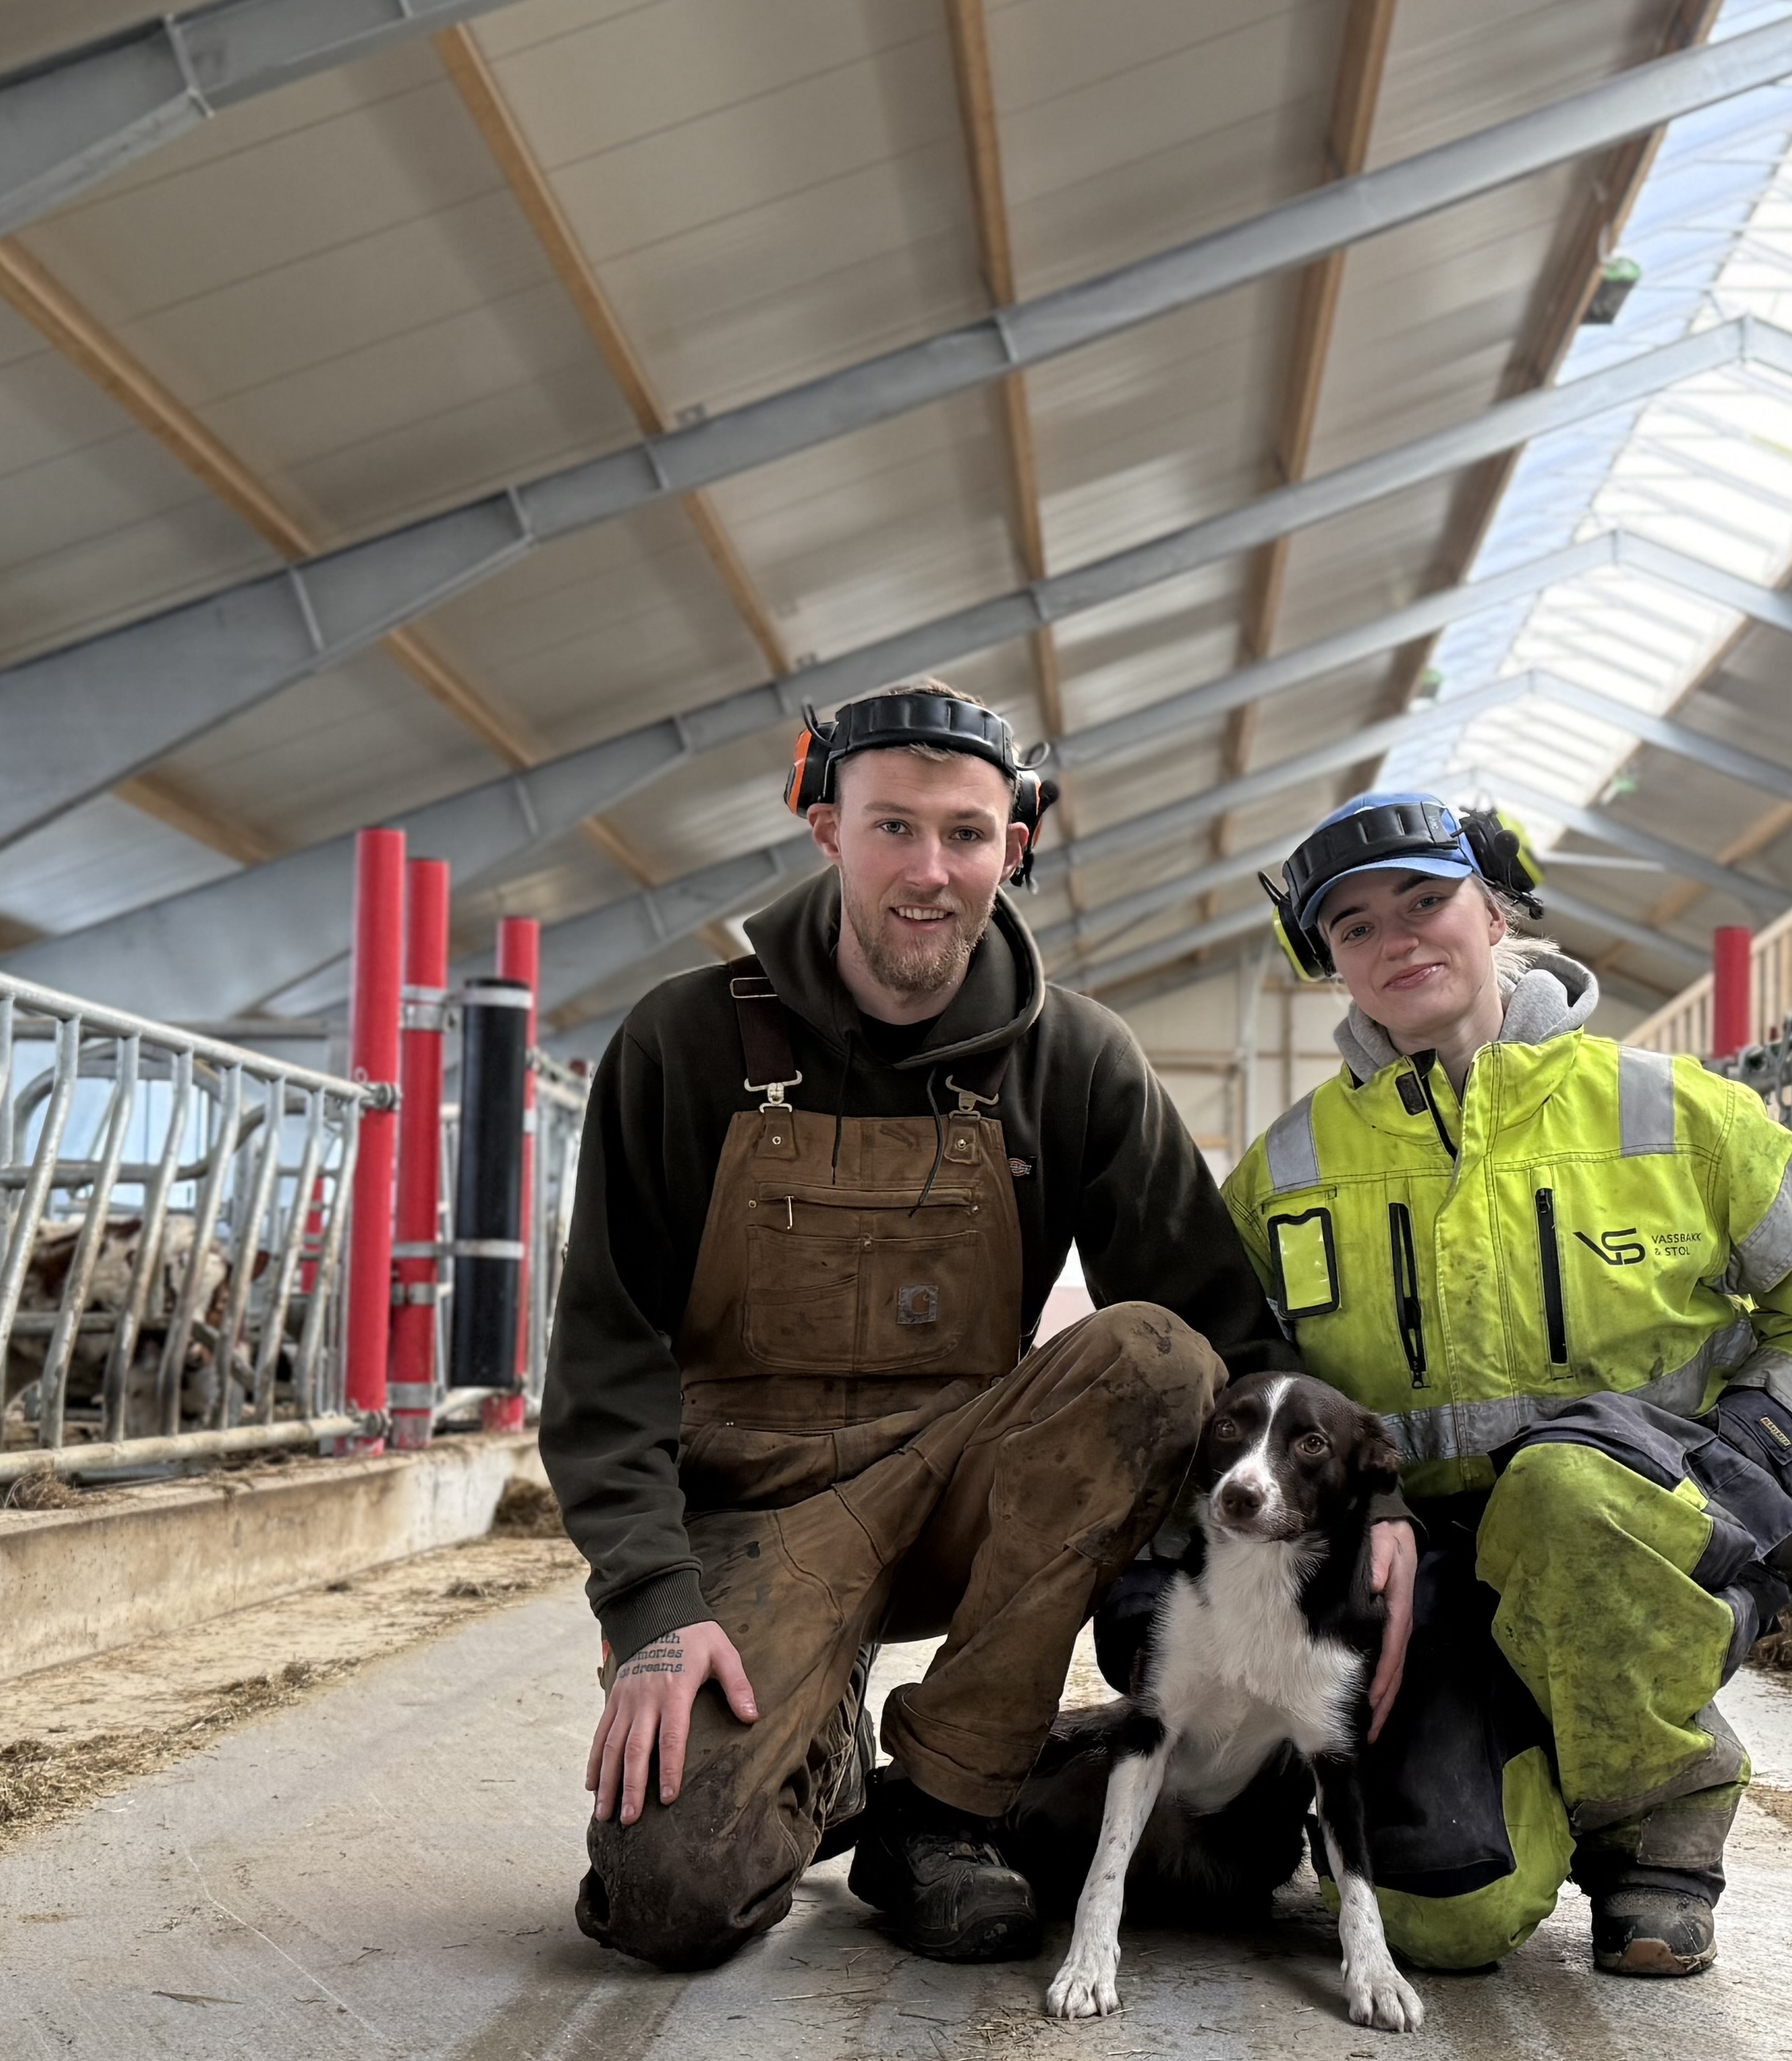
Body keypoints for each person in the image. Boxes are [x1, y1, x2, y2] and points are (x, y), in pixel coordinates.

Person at [541, 680, 1396, 1972]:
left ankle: (935, 1813)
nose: (929, 872)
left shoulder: (1078, 1060)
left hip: (961, 1487)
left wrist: (1368, 1500)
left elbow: (1233, 1337)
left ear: (1018, 845)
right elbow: (606, 1357)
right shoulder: (686, 1044)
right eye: (893, 828)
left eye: (967, 835)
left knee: (1155, 1356)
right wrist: (653, 1602)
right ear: (824, 825)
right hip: (755, 1517)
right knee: (673, 1897)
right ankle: (816, 1744)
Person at [1221, 790, 1792, 1977]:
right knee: (1446, 1921)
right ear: (1325, 960)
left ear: (1496, 914)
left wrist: (1748, 1463)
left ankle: (1660, 1839)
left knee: (1566, 1496)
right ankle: (1509, 1774)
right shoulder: (1287, 1168)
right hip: (1424, 1564)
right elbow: (1245, 1386)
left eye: (1427, 903)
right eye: (1355, 928)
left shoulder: (1673, 1114)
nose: (1399, 943)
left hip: (1636, 1526)